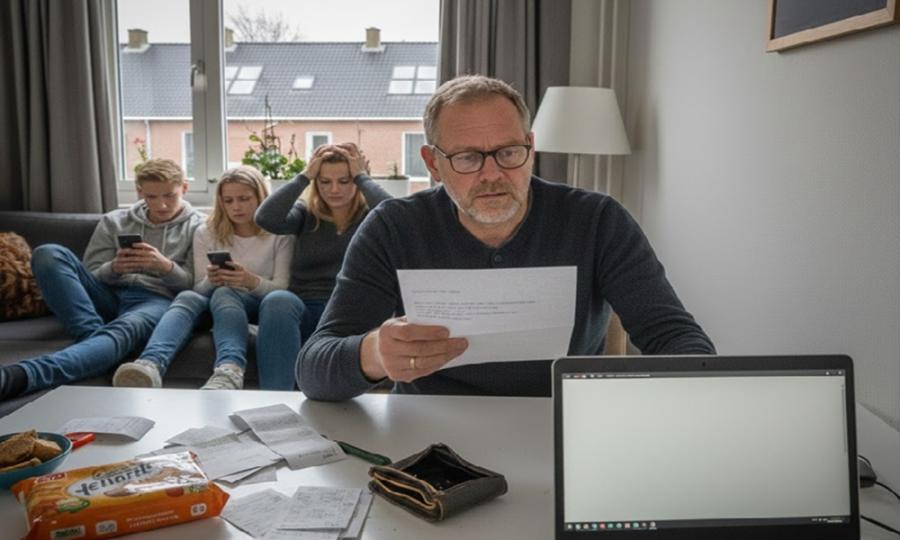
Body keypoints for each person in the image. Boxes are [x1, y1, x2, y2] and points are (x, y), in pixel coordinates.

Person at [297, 75, 716, 401]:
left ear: (531, 147)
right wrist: (373, 354)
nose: (493, 173)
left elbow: (673, 333)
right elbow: (314, 370)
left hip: (561, 424)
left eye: (509, 152)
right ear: (433, 163)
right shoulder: (393, 227)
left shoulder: (596, 220)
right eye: (467, 158)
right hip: (429, 433)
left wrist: (682, 389)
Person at [0, 159, 204, 401]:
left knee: (125, 328)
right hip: (105, 294)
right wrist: (114, 268)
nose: (161, 205)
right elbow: (90, 273)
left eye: (170, 195)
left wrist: (165, 267)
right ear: (139, 192)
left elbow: (195, 287)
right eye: (151, 197)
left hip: (156, 300)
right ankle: (94, 343)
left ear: (185, 188)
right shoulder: (114, 220)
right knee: (47, 253)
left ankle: (17, 377)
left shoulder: (199, 226)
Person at [113, 166, 295, 390]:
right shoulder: (206, 232)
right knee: (189, 296)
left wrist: (248, 280)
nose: (236, 207)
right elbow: (199, 289)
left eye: (244, 199)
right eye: (228, 200)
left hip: (257, 303)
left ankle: (230, 371)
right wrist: (212, 279)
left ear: (260, 197)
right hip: (214, 303)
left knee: (226, 292)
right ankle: (149, 364)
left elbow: (282, 288)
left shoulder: (279, 233)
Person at [254, 142, 392, 378]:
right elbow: (266, 218)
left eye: (344, 181)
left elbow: (395, 216)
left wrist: (362, 177)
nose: (334, 190)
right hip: (308, 306)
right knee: (278, 300)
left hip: (351, 312)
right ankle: (276, 405)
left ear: (356, 181)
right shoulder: (305, 214)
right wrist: (305, 176)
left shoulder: (372, 217)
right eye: (325, 181)